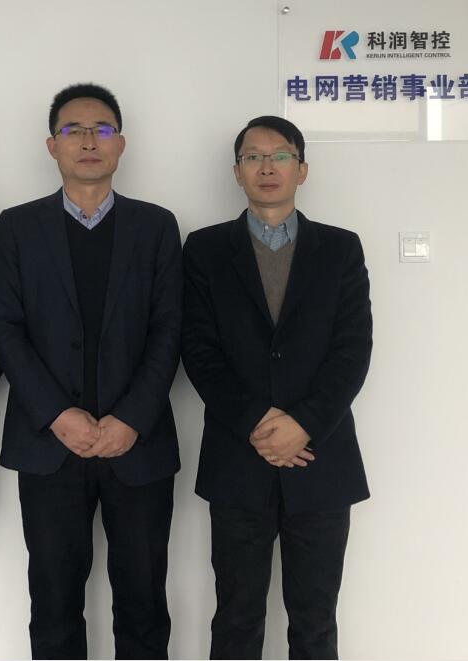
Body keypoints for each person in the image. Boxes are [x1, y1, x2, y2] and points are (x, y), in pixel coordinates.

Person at [0, 83, 182, 659]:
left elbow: (170, 329)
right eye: (73, 131)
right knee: (53, 607)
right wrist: (57, 414)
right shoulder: (16, 227)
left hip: (138, 447)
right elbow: (4, 327)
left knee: (144, 606)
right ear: (52, 146)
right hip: (49, 448)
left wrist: (132, 418)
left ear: (121, 143)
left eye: (101, 129)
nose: (88, 141)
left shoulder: (156, 226)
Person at [181, 115, 372, 660]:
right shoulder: (205, 249)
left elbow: (352, 350)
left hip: (321, 459)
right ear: (237, 172)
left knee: (315, 621)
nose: (267, 167)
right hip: (238, 461)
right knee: (236, 619)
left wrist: (303, 424)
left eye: (281, 155)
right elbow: (199, 351)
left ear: (302, 169)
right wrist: (260, 426)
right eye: (253, 157)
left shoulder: (341, 249)